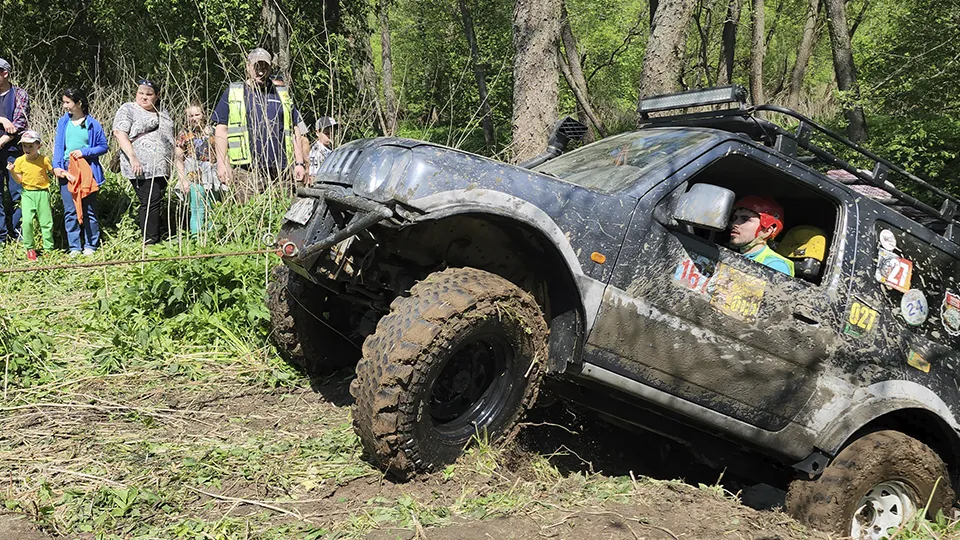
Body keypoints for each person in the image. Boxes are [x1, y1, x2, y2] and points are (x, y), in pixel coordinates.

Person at [211, 48, 307, 200]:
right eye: (256, 67)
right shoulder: (234, 92)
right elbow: (221, 129)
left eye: (265, 67)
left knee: (284, 211)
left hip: (281, 171)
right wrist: (222, 164)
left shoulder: (282, 93)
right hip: (246, 172)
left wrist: (299, 163)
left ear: (270, 68)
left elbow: (294, 129)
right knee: (248, 212)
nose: (261, 72)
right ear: (248, 66)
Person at [112, 79, 175, 245]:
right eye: (141, 93)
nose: (144, 97)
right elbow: (119, 133)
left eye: (149, 94)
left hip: (161, 167)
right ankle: (150, 241)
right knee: (150, 200)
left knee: (155, 200)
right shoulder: (129, 109)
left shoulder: (162, 112)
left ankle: (155, 236)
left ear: (157, 96)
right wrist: (133, 157)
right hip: (140, 166)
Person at [52, 88, 109, 255]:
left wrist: (85, 152)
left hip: (87, 170)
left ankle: (91, 245)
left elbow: (103, 147)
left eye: (67, 102)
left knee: (89, 209)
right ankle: (74, 247)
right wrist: (57, 166)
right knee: (70, 210)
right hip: (67, 169)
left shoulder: (93, 124)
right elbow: (59, 146)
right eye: (64, 102)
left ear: (79, 103)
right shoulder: (63, 122)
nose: (64, 106)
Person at [174, 104, 222, 237]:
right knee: (197, 208)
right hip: (193, 174)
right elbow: (178, 158)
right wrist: (182, 178)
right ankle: (197, 238)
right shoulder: (183, 135)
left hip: (212, 174)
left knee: (211, 207)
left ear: (203, 115)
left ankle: (212, 238)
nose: (194, 118)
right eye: (191, 116)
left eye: (197, 114)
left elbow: (222, 153)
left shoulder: (213, 131)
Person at [6, 131, 53, 261]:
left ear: (39, 146)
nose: (27, 149)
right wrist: (12, 171)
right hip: (27, 194)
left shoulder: (44, 160)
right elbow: (19, 180)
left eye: (30, 146)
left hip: (42, 192)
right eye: (24, 146)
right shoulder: (19, 161)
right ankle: (30, 248)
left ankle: (48, 249)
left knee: (46, 222)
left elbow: (52, 171)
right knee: (26, 222)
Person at [728, 196, 794, 277]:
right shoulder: (730, 255)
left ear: (768, 230)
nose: (734, 224)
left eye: (745, 219)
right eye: (734, 218)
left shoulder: (775, 265)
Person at [0, 58, 29, 243]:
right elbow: (9, 123)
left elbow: (19, 123)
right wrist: (2, 119)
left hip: (14, 152)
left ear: (5, 74)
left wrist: (2, 140)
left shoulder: (19, 94)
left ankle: (19, 235)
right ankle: (1, 237)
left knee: (17, 193)